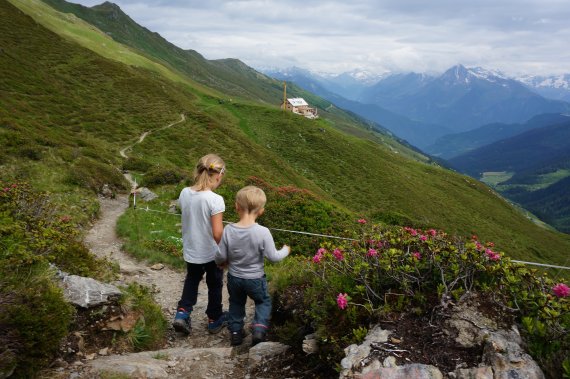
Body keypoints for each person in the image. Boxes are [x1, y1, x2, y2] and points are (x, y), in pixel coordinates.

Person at [215, 185, 290, 346]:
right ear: (261, 211)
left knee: (236, 303)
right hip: (255, 278)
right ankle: (259, 329)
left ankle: (235, 332)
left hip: (234, 278)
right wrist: (285, 250)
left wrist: (221, 263)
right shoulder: (263, 232)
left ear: (236, 207)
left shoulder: (228, 230)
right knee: (263, 302)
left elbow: (220, 255)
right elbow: (273, 257)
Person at [173, 154, 228, 335]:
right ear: (218, 175)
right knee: (215, 285)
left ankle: (182, 313)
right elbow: (218, 233)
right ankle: (214, 319)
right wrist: (226, 254)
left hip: (191, 249)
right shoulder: (215, 200)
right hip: (211, 253)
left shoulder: (184, 193)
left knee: (192, 280)